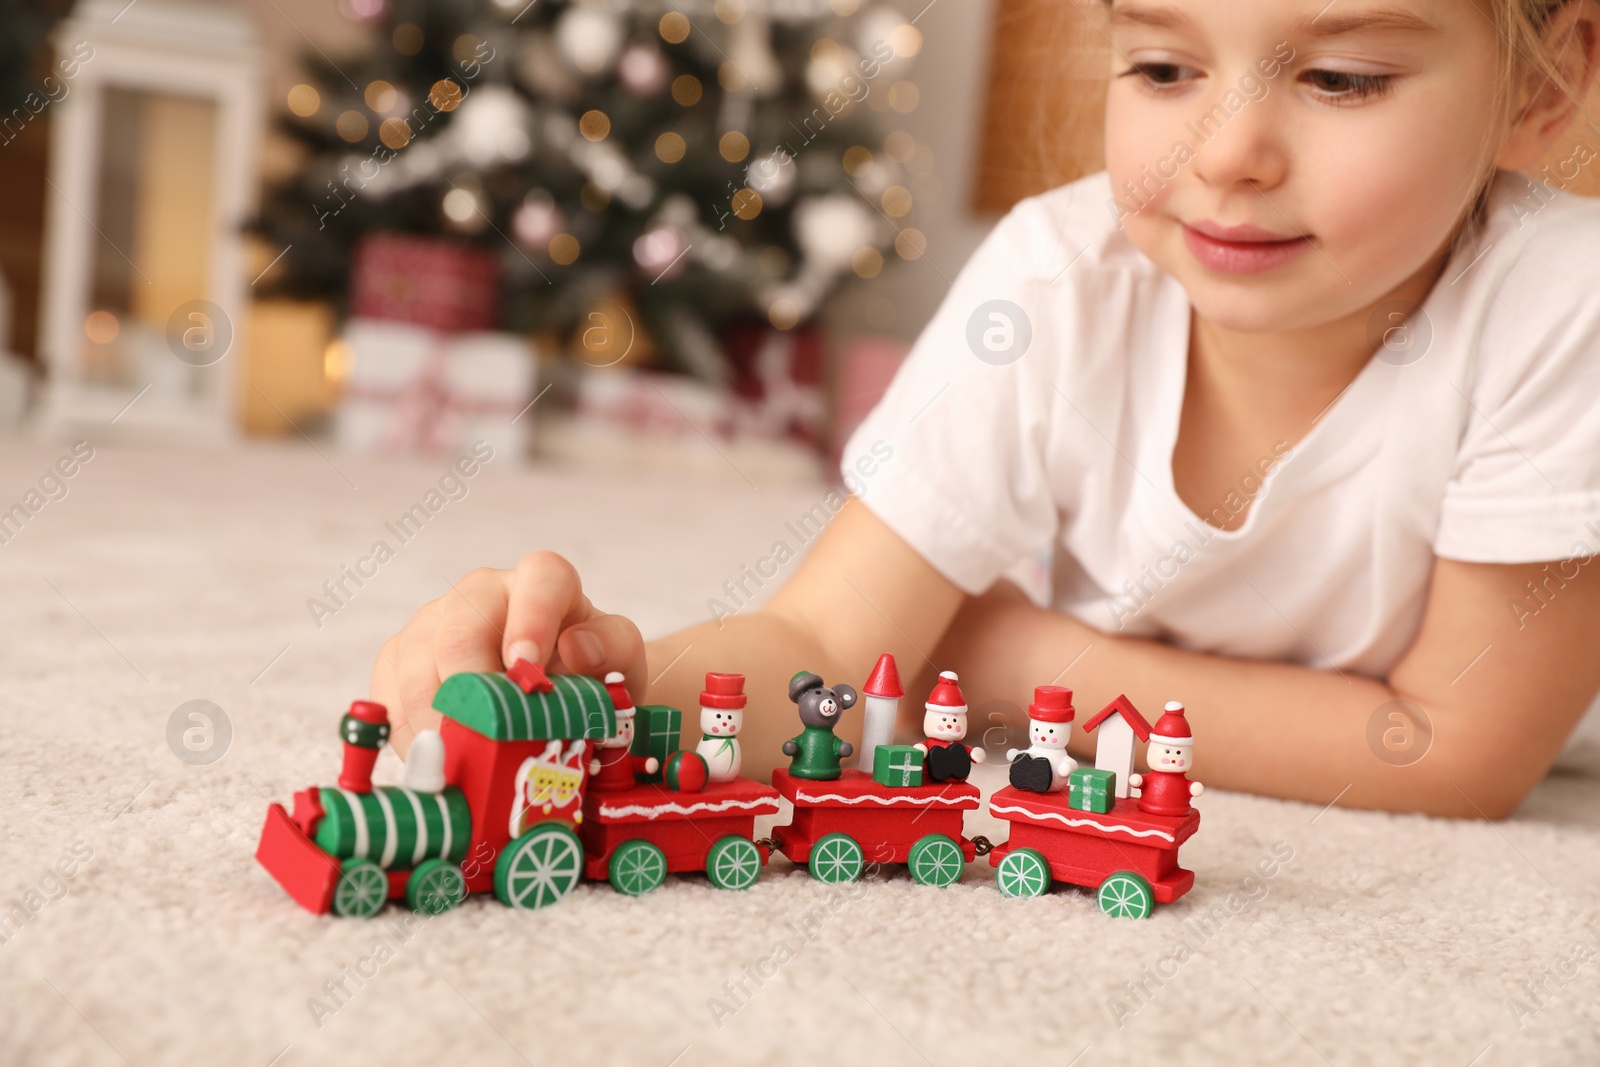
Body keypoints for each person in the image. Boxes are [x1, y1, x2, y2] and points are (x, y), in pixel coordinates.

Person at [369, 0, 1600, 818]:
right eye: (1165, 69)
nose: (1227, 154)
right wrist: (600, 681)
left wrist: (1009, 657)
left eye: (1341, 78)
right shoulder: (1053, 275)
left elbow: (1455, 749)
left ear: (1547, 86)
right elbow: (821, 655)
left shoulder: (1561, 299)